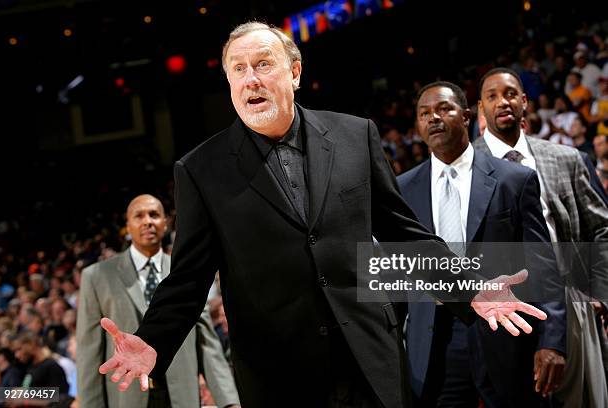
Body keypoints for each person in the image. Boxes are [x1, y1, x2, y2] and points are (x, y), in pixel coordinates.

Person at [97, 23, 548, 407]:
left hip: (371, 359)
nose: (250, 79)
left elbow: (402, 234)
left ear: (294, 72)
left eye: (263, 64)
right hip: (280, 375)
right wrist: (153, 338)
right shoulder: (200, 170)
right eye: (238, 69)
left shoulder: (355, 135)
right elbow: (190, 278)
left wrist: (469, 287)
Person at [398, 81, 566, 407]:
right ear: (418, 125)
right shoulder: (403, 189)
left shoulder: (513, 180)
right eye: (424, 113)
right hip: (433, 343)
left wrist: (553, 342)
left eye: (443, 109)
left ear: (466, 116)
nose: (434, 118)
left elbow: (543, 267)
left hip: (506, 335)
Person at [474, 67, 608, 408]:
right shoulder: (465, 169)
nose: (502, 101)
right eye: (492, 96)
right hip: (505, 314)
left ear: (524, 102)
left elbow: (602, 231)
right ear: (480, 110)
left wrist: (600, 293)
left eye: (509, 94)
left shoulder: (567, 159)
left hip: (571, 302)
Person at [77, 194, 240, 408]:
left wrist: (229, 402)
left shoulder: (190, 272)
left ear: (165, 223)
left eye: (154, 215)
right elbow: (90, 351)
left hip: (181, 396)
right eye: (139, 216)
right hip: (126, 397)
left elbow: (207, 344)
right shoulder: (96, 276)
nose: (148, 221)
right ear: (128, 225)